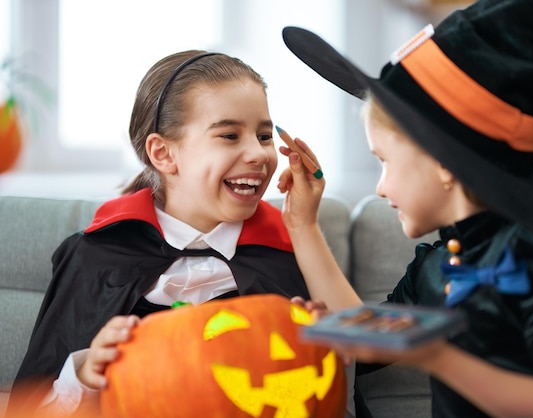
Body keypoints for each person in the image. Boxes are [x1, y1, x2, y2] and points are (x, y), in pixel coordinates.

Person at [276, 0, 533, 417]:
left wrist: (437, 356)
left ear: (442, 162)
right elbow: (369, 342)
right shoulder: (443, 262)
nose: (381, 185)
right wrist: (303, 225)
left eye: (384, 160)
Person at [7, 50, 315, 416]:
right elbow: (29, 409)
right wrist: (85, 376)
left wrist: (308, 338)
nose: (258, 154)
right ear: (163, 154)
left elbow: (314, 391)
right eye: (230, 135)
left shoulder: (286, 252)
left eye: (265, 136)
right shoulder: (96, 256)